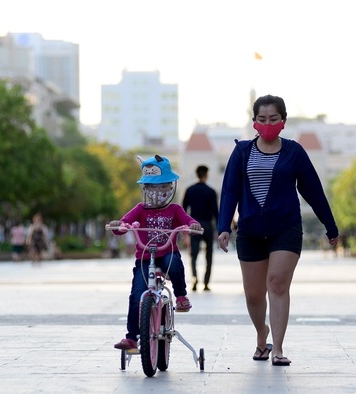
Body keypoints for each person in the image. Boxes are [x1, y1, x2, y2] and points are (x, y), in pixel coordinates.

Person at [217, 94, 339, 366]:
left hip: (286, 227)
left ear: (283, 121)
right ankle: (263, 335)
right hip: (249, 229)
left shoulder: (294, 152)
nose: (267, 124)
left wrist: (330, 226)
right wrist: (224, 226)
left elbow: (313, 191)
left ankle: (279, 349)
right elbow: (229, 191)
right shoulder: (242, 152)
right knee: (254, 294)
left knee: (277, 284)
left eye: (273, 119)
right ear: (254, 122)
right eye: (262, 119)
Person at [109, 155, 201, 351]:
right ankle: (131, 337)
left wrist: (192, 225)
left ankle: (181, 295)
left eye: (162, 187)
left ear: (170, 188)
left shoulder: (175, 209)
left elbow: (188, 220)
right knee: (136, 296)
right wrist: (118, 225)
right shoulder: (140, 209)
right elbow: (122, 225)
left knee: (174, 263)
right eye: (151, 188)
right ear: (145, 189)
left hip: (167, 254)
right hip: (144, 258)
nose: (157, 192)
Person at [182, 164, 219, 292]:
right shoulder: (211, 191)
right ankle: (206, 283)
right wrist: (220, 228)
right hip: (208, 225)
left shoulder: (190, 190)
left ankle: (194, 279)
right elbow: (216, 212)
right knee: (209, 255)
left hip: (194, 225)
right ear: (206, 175)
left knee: (194, 255)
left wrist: (184, 225)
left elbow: (184, 210)